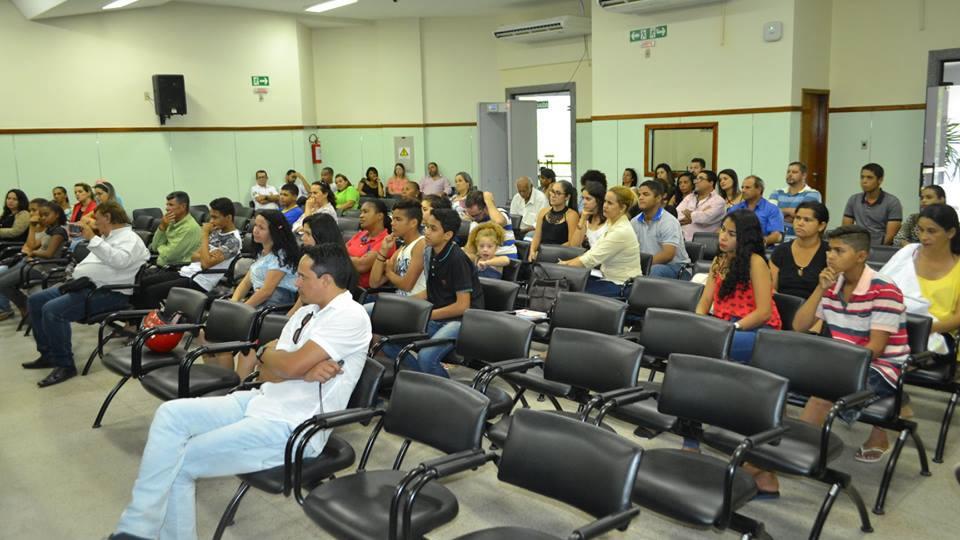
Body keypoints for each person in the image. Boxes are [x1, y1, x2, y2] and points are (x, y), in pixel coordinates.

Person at [109, 243, 370, 540]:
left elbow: (286, 363)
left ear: (326, 280)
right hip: (262, 399)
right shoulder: (306, 314)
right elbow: (269, 369)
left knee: (181, 462)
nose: (296, 283)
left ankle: (139, 533)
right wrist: (288, 365)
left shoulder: (350, 315)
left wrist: (286, 363)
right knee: (171, 415)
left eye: (302, 277)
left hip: (293, 426)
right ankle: (136, 528)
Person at [791, 225, 910, 464]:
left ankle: (792, 452)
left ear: (861, 256)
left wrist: (835, 372)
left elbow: (875, 348)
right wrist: (819, 289)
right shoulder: (832, 284)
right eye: (829, 250)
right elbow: (799, 326)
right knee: (784, 378)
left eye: (839, 250)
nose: (830, 256)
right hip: (843, 359)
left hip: (882, 366)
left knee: (822, 396)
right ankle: (787, 445)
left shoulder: (884, 289)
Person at [23, 202, 150, 387]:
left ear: (108, 217)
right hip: (84, 286)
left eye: (97, 219)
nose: (95, 223)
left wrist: (94, 239)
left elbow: (119, 261)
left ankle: (65, 365)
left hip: (109, 293)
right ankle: (47, 355)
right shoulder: (108, 237)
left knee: (52, 310)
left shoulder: (130, 239)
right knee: (35, 300)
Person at [380, 208, 484, 378]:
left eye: (433, 229)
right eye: (426, 227)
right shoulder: (430, 252)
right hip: (439, 316)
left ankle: (449, 397)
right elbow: (431, 290)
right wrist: (407, 307)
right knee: (389, 342)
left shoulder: (457, 259)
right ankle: (424, 382)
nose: (426, 232)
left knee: (427, 357)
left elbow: (463, 306)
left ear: (447, 235)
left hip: (463, 321)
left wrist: (427, 315)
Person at [696, 210, 781, 363]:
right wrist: (700, 322)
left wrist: (731, 328)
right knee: (689, 336)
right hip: (724, 325)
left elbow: (764, 313)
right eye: (722, 229)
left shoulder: (756, 262)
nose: (723, 236)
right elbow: (705, 301)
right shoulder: (719, 260)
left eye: (732, 234)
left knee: (713, 345)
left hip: (756, 329)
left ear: (745, 238)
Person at [880, 203, 960, 361]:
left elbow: (957, 318)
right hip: (892, 327)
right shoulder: (907, 255)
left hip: (936, 335)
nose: (923, 237)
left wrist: (918, 328)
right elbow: (880, 290)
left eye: (931, 231)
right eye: (920, 230)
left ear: (950, 232)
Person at [136, 198, 241, 309]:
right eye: (211, 216)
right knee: (142, 283)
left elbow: (205, 265)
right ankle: (138, 321)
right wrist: (206, 256)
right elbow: (194, 257)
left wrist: (205, 235)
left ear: (229, 218)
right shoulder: (216, 232)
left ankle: (160, 323)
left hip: (201, 281)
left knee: (151, 292)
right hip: (188, 272)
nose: (211, 221)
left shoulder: (233, 241)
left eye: (215, 217)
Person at [559, 186, 644, 297]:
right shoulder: (611, 223)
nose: (604, 206)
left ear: (622, 208)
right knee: (570, 284)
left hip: (622, 285)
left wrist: (564, 266)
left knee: (572, 290)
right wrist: (565, 265)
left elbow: (591, 259)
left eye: (610, 203)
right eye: (605, 201)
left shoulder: (621, 231)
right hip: (607, 278)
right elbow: (593, 251)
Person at [0, 200, 67, 321]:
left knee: (2, 283)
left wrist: (33, 253)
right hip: (34, 264)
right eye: (42, 215)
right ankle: (24, 305)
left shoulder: (59, 232)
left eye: (47, 215)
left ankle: (23, 306)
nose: (43, 218)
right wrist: (31, 227)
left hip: (45, 268)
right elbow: (32, 245)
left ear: (57, 214)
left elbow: (49, 254)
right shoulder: (49, 230)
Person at [229, 211, 299, 309]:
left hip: (275, 303)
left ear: (275, 231)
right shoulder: (262, 251)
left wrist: (243, 309)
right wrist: (233, 302)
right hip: (259, 299)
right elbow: (246, 282)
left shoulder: (281, 256)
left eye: (261, 228)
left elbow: (266, 292)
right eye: (255, 225)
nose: (255, 231)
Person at [631, 180, 691, 279]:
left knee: (654, 271)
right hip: (649, 265)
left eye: (646, 194)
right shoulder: (634, 221)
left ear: (658, 198)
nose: (640, 198)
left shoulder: (668, 221)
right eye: (639, 194)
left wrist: (642, 266)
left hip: (677, 268)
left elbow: (668, 255)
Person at [770, 201, 830, 298]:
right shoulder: (781, 251)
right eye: (797, 218)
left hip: (818, 309)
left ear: (821, 226)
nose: (800, 223)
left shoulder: (830, 252)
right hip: (784, 307)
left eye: (807, 220)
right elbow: (772, 289)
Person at [369, 199, 426, 297]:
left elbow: (407, 285)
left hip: (414, 305)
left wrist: (389, 272)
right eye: (393, 219)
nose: (392, 223)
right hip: (397, 301)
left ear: (413, 223)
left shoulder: (421, 244)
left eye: (398, 219)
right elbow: (374, 283)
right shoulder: (400, 250)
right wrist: (383, 251)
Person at [843, 163, 903, 245]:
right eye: (862, 177)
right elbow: (846, 230)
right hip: (858, 245)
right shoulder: (854, 199)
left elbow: (890, 237)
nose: (864, 181)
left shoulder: (892, 202)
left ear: (880, 180)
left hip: (881, 248)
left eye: (869, 178)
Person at [345, 199, 395, 289]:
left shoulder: (387, 241)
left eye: (365, 212)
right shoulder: (360, 234)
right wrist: (355, 259)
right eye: (361, 212)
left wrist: (343, 257)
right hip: (345, 284)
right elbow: (340, 251)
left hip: (362, 292)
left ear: (379, 216)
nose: (361, 216)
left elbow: (361, 265)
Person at [768, 161, 822, 239]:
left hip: (800, 240)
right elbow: (770, 214)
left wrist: (781, 213)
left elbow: (804, 215)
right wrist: (790, 211)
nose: (790, 175)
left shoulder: (812, 194)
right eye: (788, 172)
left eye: (794, 172)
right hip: (775, 238)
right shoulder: (777, 192)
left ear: (804, 175)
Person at [528, 180, 579, 261]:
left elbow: (571, 243)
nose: (553, 195)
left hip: (560, 256)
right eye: (552, 191)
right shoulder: (543, 212)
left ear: (567, 197)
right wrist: (532, 251)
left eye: (558, 193)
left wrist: (549, 253)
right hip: (542, 254)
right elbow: (536, 237)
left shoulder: (571, 215)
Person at [728, 176, 784, 246]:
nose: (743, 190)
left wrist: (760, 242)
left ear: (759, 189)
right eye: (742, 187)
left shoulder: (772, 209)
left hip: (760, 249)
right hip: (735, 247)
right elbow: (724, 230)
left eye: (747, 187)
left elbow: (777, 236)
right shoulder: (734, 209)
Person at [151, 191, 202, 267]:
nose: (167, 208)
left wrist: (160, 247)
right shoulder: (170, 222)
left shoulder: (189, 228)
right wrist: (162, 227)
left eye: (171, 205)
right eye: (167, 205)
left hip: (178, 270)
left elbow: (169, 256)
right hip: (162, 266)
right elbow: (154, 247)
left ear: (183, 206)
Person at [464, 190, 518, 260]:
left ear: (486, 207)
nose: (473, 218)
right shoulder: (474, 223)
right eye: (470, 215)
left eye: (476, 215)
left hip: (505, 259)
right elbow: (470, 249)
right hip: (484, 259)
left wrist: (489, 200)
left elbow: (499, 222)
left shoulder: (501, 212)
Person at [677, 169, 725, 241]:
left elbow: (705, 218)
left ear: (711, 183)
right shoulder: (690, 197)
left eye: (701, 179)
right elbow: (677, 213)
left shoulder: (719, 201)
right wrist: (695, 217)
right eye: (696, 179)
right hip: (682, 239)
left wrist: (691, 216)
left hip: (703, 243)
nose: (696, 182)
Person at [569, 180, 608, 249]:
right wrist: (582, 219)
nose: (584, 202)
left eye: (588, 199)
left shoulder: (609, 220)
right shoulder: (586, 219)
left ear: (599, 200)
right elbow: (574, 246)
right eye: (583, 198)